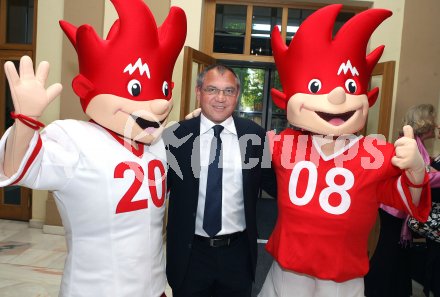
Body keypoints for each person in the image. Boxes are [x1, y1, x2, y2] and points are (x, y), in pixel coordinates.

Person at [0, 1, 186, 296]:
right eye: (136, 90)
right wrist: (25, 121)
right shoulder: (73, 138)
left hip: (153, 288)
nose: (161, 103)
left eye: (164, 90)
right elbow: (15, 169)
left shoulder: (157, 143)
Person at [258, 5, 431, 297]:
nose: (338, 95)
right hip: (288, 271)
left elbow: (409, 201)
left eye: (350, 85)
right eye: (316, 86)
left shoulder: (376, 152)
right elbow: (233, 152)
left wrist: (416, 169)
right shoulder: (281, 142)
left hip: (342, 278)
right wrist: (198, 124)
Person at [164, 64, 277, 297]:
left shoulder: (254, 136)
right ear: (198, 92)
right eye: (212, 89)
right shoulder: (176, 137)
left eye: (228, 91)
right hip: (190, 254)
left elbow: (275, 184)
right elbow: (157, 188)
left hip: (237, 254)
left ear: (237, 95)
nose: (220, 98)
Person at [365, 104, 440, 297]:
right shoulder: (409, 144)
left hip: (395, 209)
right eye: (434, 120)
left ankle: (392, 289)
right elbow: (420, 176)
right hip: (394, 209)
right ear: (426, 123)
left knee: (396, 254)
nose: (436, 125)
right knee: (388, 252)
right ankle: (379, 290)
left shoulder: (416, 145)